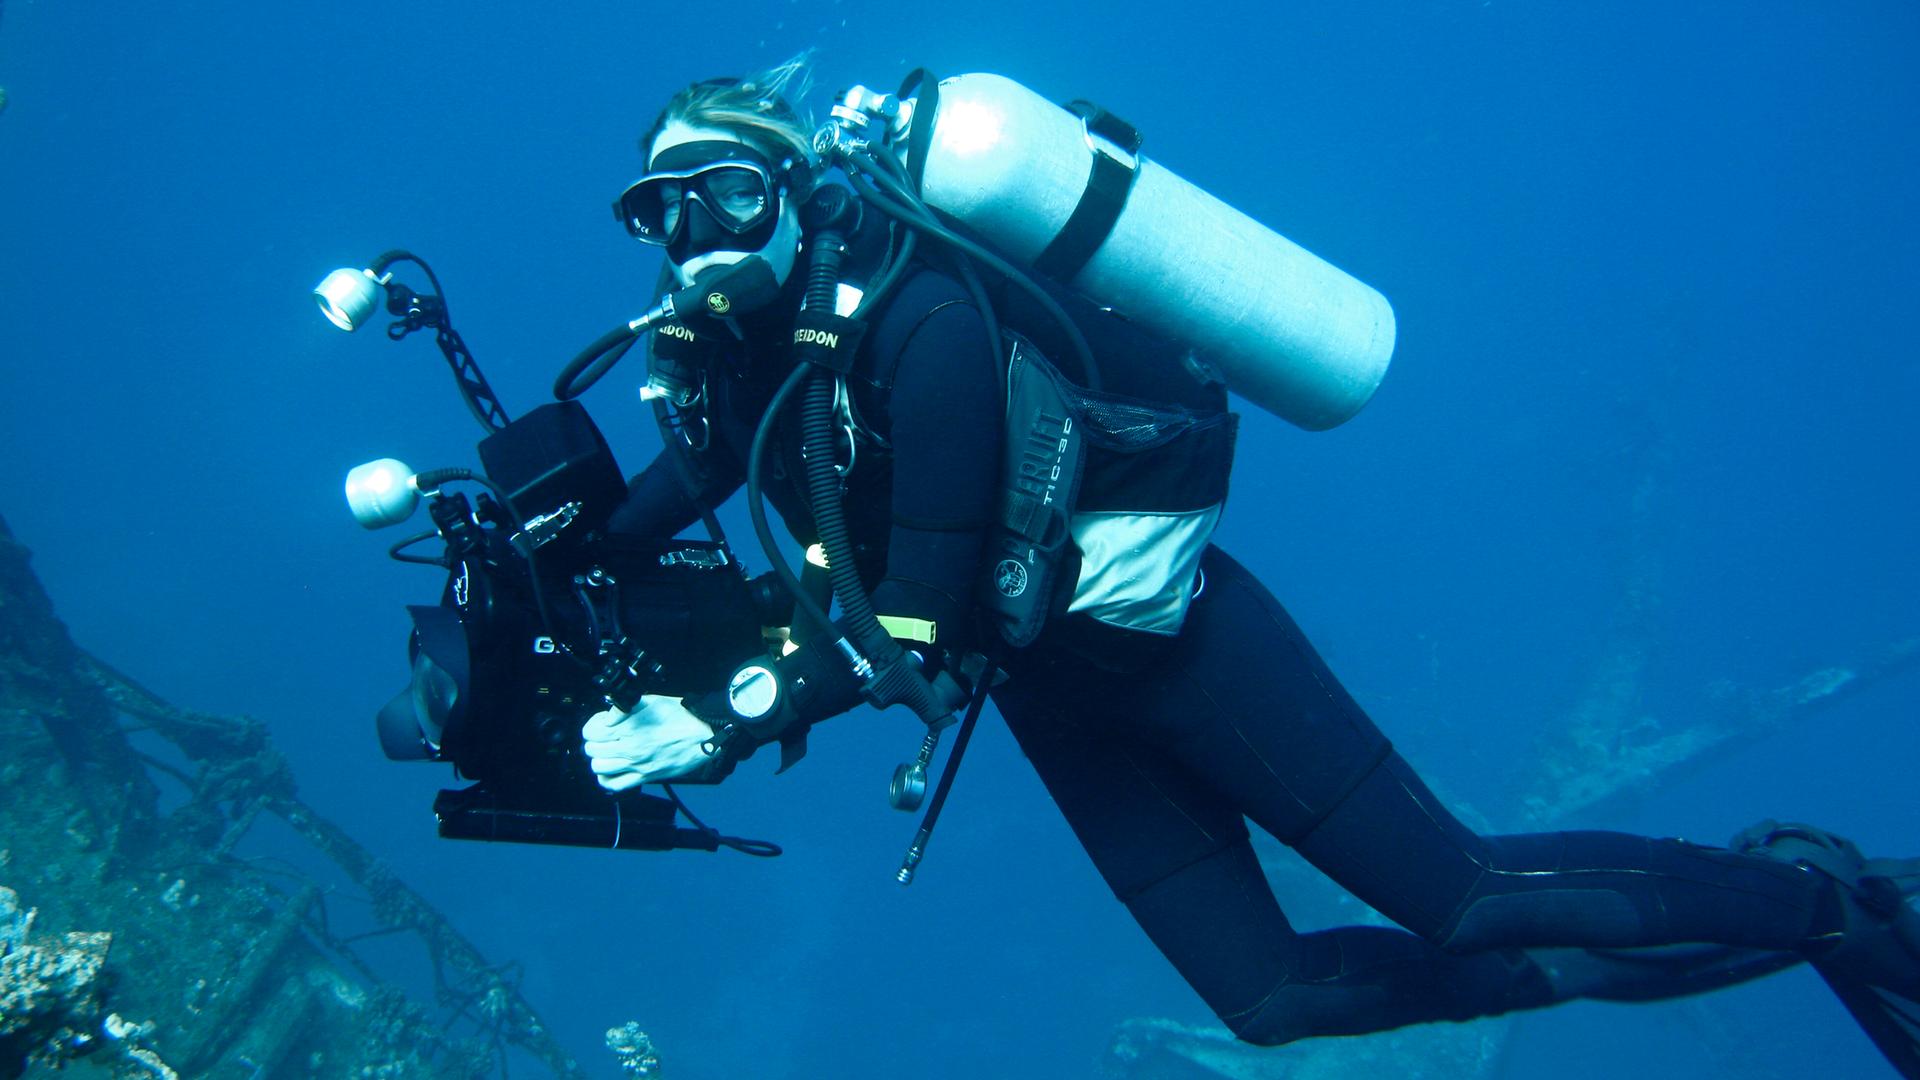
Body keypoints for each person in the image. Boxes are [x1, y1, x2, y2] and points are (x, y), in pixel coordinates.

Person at [578, 61, 1920, 1073]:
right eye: (663, 211)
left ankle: (1825, 899)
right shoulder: (747, 364)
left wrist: (721, 716)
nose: (699, 233)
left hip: (1183, 654)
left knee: (1460, 895)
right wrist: (553, 544)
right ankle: (1743, 928)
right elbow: (692, 480)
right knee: (1270, 1001)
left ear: (795, 187)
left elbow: (916, 616)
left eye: (729, 194)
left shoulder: (921, 321)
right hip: (1058, 692)